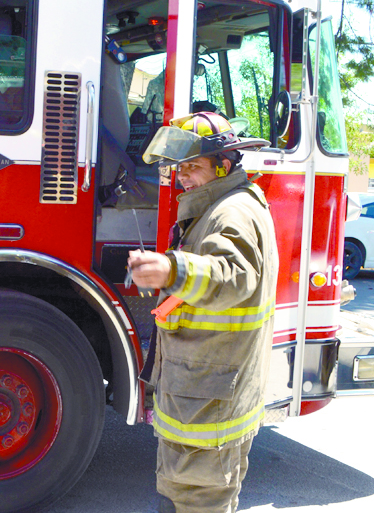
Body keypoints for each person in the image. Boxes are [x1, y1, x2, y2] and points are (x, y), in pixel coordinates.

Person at [127, 111, 278, 513]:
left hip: (209, 405)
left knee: (197, 503)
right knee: (185, 499)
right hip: (203, 395)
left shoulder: (232, 213)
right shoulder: (222, 205)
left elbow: (232, 276)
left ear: (223, 165)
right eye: (179, 169)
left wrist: (172, 270)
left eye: (192, 167)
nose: (183, 177)